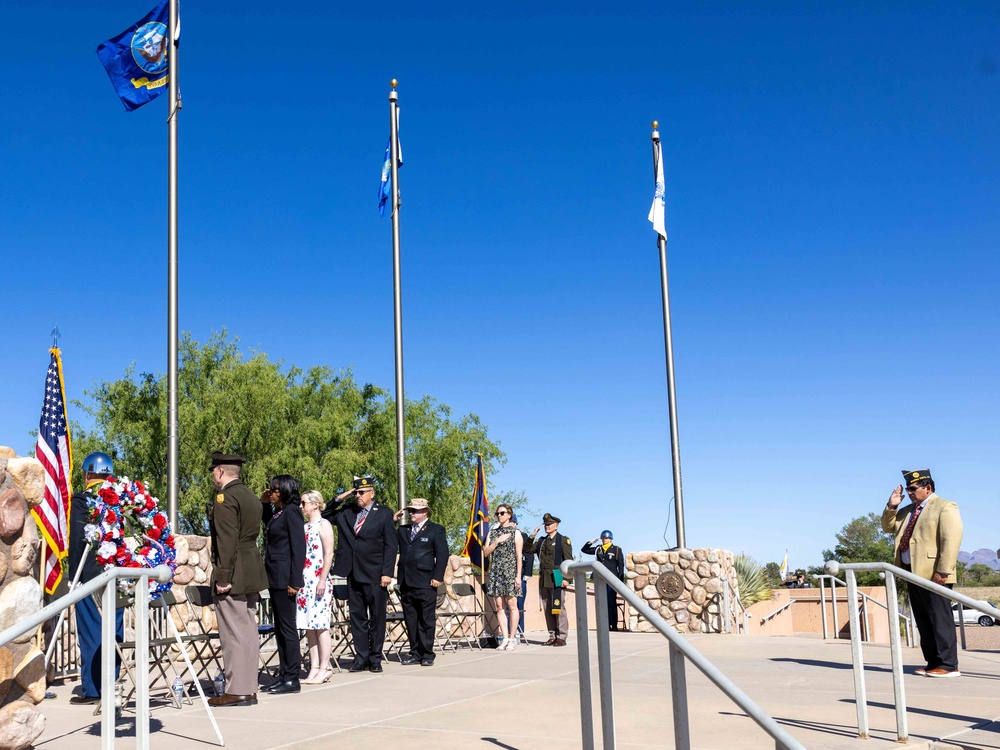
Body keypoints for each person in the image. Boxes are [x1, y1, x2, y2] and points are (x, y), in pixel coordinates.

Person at [882, 469, 963, 678]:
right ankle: (933, 662)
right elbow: (887, 527)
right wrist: (892, 505)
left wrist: (943, 571)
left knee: (939, 618)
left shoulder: (945, 506)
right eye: (907, 488)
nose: (909, 492)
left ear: (928, 488)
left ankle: (948, 665)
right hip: (911, 572)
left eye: (912, 488)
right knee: (923, 619)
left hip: (934, 573)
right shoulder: (907, 510)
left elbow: (951, 540)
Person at [207, 451, 268, 707]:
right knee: (247, 631)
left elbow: (226, 541)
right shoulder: (252, 497)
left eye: (213, 470)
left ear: (220, 471)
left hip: (234, 574)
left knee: (233, 634)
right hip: (251, 568)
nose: (212, 475)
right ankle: (248, 687)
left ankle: (237, 689)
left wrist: (222, 576)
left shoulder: (225, 498)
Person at [322, 475, 398, 673]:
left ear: (372, 493)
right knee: (357, 618)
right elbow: (326, 514)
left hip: (375, 574)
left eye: (362, 492)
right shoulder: (347, 512)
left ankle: (375, 658)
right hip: (352, 572)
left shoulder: (384, 514)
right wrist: (341, 498)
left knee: (377, 617)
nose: (358, 496)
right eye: (356, 492)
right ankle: (361, 657)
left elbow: (391, 545)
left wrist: (387, 572)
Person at [66, 451, 124, 705]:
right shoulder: (121, 500)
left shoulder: (82, 501)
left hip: (90, 573)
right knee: (114, 630)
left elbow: (79, 539)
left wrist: (74, 575)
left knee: (91, 632)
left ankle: (92, 689)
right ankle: (111, 684)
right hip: (118, 573)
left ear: (88, 474)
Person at [260, 475, 306, 694]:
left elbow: (299, 549)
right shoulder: (279, 512)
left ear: (287, 490)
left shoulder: (292, 512)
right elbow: (268, 524)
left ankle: (292, 677)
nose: (273, 492)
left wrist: (295, 581)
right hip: (275, 577)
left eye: (276, 489)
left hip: (285, 578)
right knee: (279, 628)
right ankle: (284, 673)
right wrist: (264, 503)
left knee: (288, 629)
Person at [393, 498, 448, 666]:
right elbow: (387, 538)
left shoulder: (436, 530)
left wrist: (438, 577)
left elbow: (443, 554)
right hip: (406, 581)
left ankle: (427, 654)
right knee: (411, 620)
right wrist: (393, 521)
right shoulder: (403, 530)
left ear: (424, 512)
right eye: (410, 510)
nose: (412, 513)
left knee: (426, 620)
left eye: (415, 511)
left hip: (426, 581)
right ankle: (415, 653)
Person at [297, 490, 335, 684]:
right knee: (308, 626)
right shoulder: (304, 527)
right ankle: (313, 666)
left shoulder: (324, 524)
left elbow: (328, 553)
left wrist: (322, 579)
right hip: (305, 581)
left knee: (320, 625)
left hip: (318, 579)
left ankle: (325, 666)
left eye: (304, 503)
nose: (301, 507)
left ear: (315, 504)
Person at [528, 513, 573, 646]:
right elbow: (527, 549)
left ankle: (562, 636)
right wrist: (532, 536)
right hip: (544, 578)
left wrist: (567, 579)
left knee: (558, 608)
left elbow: (569, 561)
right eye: (545, 525)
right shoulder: (542, 541)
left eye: (549, 524)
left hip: (557, 576)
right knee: (548, 608)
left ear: (556, 526)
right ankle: (552, 635)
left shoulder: (563, 540)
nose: (547, 527)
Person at [484, 504, 523, 650]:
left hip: (510, 572)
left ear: (509, 515)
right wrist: (497, 541)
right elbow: (486, 553)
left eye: (502, 513)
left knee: (512, 605)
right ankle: (504, 638)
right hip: (496, 572)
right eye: (497, 513)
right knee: (499, 606)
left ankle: (512, 638)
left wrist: (518, 576)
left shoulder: (515, 533)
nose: (499, 516)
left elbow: (519, 556)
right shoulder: (492, 533)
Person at [581, 530, 625, 631]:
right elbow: (584, 550)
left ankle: (613, 624)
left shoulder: (617, 549)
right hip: (600, 579)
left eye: (606, 538)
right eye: (603, 538)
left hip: (611, 579)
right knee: (602, 602)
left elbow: (621, 566)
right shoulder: (598, 549)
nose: (604, 540)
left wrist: (620, 581)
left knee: (611, 602)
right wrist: (591, 542)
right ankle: (605, 624)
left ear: (610, 539)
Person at [511, 514, 534, 642]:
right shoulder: (504, 536)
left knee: (519, 605)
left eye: (513, 522)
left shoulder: (523, 536)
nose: (511, 524)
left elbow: (529, 555)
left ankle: (520, 631)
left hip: (521, 576)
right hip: (508, 576)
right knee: (509, 605)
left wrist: (527, 573)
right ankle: (510, 632)